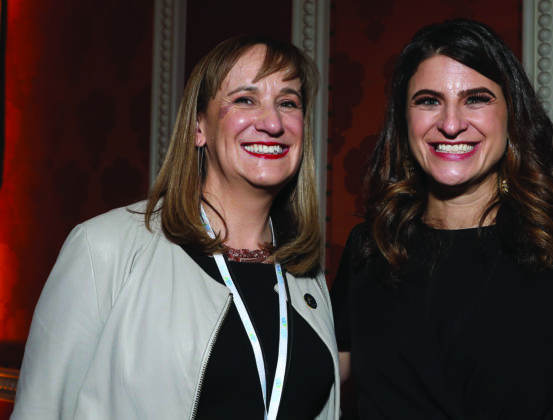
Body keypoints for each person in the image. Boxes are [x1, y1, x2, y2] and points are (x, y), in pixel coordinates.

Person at [11, 34, 339, 420]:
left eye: (288, 103)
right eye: (245, 100)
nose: (272, 122)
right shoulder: (104, 249)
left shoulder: (306, 277)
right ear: (199, 127)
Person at [331, 19, 553, 420]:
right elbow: (297, 388)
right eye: (428, 101)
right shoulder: (370, 250)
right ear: (403, 120)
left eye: (476, 99)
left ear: (512, 114)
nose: (451, 124)